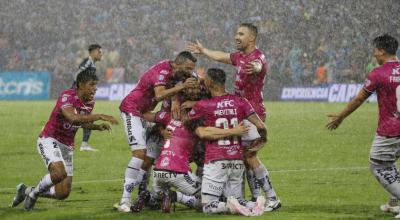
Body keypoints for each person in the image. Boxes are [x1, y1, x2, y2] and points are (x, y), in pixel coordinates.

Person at [187, 23, 281, 211]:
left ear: (251, 38)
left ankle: (272, 198)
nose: (236, 37)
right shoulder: (240, 57)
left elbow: (259, 65)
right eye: (236, 33)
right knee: (245, 157)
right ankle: (256, 198)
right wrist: (204, 51)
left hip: (252, 112)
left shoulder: (256, 57)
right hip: (241, 111)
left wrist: (256, 67)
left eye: (241, 34)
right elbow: (222, 56)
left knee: (250, 155)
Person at [11, 68, 118, 211]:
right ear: (80, 84)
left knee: (62, 193)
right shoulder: (67, 96)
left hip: (67, 146)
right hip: (50, 139)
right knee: (59, 174)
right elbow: (73, 118)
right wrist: (100, 116)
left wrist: (97, 127)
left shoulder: (90, 102)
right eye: (91, 84)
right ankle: (33, 194)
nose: (95, 88)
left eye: (95, 85)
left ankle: (25, 190)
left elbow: (81, 122)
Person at [326, 34, 400, 218]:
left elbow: (360, 98)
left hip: (391, 130)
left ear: (382, 51)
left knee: (378, 165)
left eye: (375, 50)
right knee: (389, 164)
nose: (374, 53)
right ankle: (393, 202)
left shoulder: (378, 73)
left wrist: (341, 116)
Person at [115, 51, 199, 212]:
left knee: (146, 158)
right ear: (177, 64)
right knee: (140, 154)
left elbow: (185, 84)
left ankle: (143, 195)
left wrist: (176, 98)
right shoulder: (163, 71)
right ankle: (124, 201)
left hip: (146, 113)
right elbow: (160, 95)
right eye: (188, 68)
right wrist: (181, 87)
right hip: (133, 109)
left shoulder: (177, 72)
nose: (190, 71)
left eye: (192, 68)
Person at [187, 68, 267, 216]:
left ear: (210, 82)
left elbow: (202, 133)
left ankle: (229, 207)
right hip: (236, 160)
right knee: (237, 199)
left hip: (216, 160)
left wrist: (232, 131)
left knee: (207, 206)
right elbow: (261, 126)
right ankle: (253, 204)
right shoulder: (240, 101)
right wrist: (262, 141)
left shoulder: (204, 106)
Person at [72, 44, 103, 151]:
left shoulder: (92, 64)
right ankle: (83, 144)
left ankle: (84, 144)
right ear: (93, 52)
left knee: (85, 118)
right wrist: (77, 90)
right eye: (99, 52)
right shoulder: (88, 62)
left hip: (84, 94)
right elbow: (77, 75)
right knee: (81, 118)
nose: (101, 54)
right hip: (80, 94)